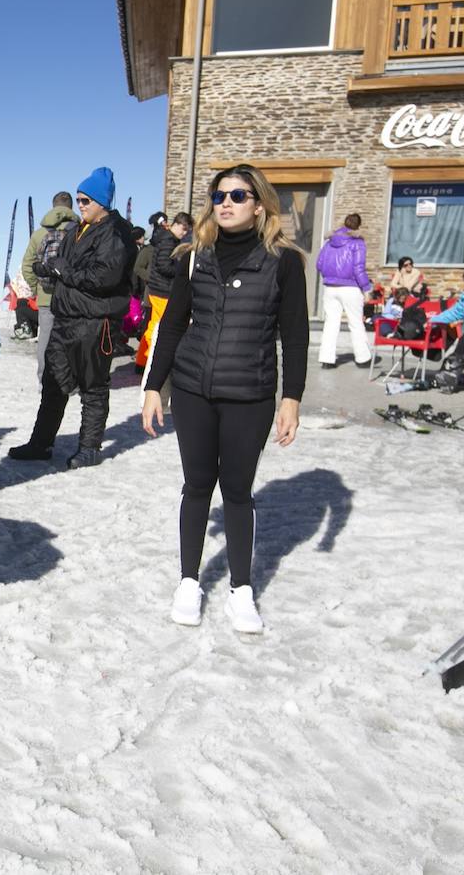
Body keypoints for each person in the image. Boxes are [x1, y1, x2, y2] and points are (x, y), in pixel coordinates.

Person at [141, 164, 308, 635]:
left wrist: (291, 398)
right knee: (196, 486)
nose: (227, 203)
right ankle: (189, 582)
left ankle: (241, 590)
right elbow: (172, 325)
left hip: (249, 394)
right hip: (194, 390)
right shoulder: (194, 256)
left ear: (259, 203)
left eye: (238, 195)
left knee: (236, 490)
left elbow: (295, 336)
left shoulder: (284, 261)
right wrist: (156, 385)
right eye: (219, 196)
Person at [9, 168, 136, 469]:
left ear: (102, 200)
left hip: (96, 322)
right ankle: (41, 443)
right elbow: (62, 264)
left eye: (86, 200)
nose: (80, 205)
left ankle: (89, 447)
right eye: (78, 199)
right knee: (54, 382)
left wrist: (61, 269)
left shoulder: (116, 232)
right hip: (65, 317)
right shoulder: (78, 230)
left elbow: (103, 276)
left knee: (92, 386)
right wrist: (47, 268)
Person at [20, 192, 79, 382]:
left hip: (47, 295)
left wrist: (36, 287)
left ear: (53, 206)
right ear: (71, 207)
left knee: (45, 338)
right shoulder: (80, 231)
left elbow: (27, 265)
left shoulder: (39, 234)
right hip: (73, 296)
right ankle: (70, 379)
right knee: (72, 337)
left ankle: (44, 378)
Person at [137, 211, 191, 376]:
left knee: (154, 325)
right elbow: (163, 266)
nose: (185, 233)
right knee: (160, 327)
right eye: (184, 228)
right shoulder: (169, 240)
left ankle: (142, 360)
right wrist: (181, 269)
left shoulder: (165, 238)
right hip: (162, 290)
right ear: (176, 224)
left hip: (157, 289)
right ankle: (150, 360)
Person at [315, 213, 372, 369]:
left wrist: (330, 276)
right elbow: (358, 268)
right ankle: (363, 358)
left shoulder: (329, 241)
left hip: (330, 287)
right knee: (355, 323)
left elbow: (319, 264)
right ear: (358, 226)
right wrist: (366, 288)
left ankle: (327, 359)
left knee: (330, 323)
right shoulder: (357, 242)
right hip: (351, 288)